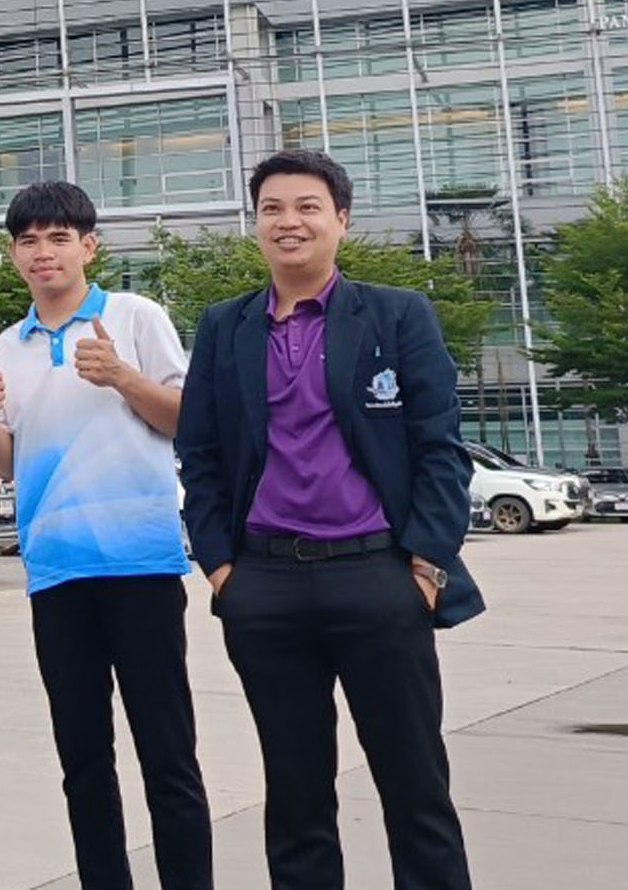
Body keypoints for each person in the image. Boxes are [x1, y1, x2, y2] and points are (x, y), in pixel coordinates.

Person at [176, 150, 480, 890]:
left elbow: (441, 448)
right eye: (273, 208)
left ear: (340, 220)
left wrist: (425, 565)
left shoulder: (396, 313)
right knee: (296, 794)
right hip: (266, 585)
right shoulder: (226, 326)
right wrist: (221, 568)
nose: (289, 221)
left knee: (415, 788)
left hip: (379, 577)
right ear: (256, 225)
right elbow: (200, 450)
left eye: (307, 206)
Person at [0, 181, 211, 890]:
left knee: (168, 754)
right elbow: (8, 462)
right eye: (28, 240)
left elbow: (188, 419)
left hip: (140, 564)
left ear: (89, 245)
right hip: (56, 575)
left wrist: (122, 376)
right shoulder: (6, 347)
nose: (42, 252)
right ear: (14, 254)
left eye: (57, 237)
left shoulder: (134, 317)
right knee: (83, 761)